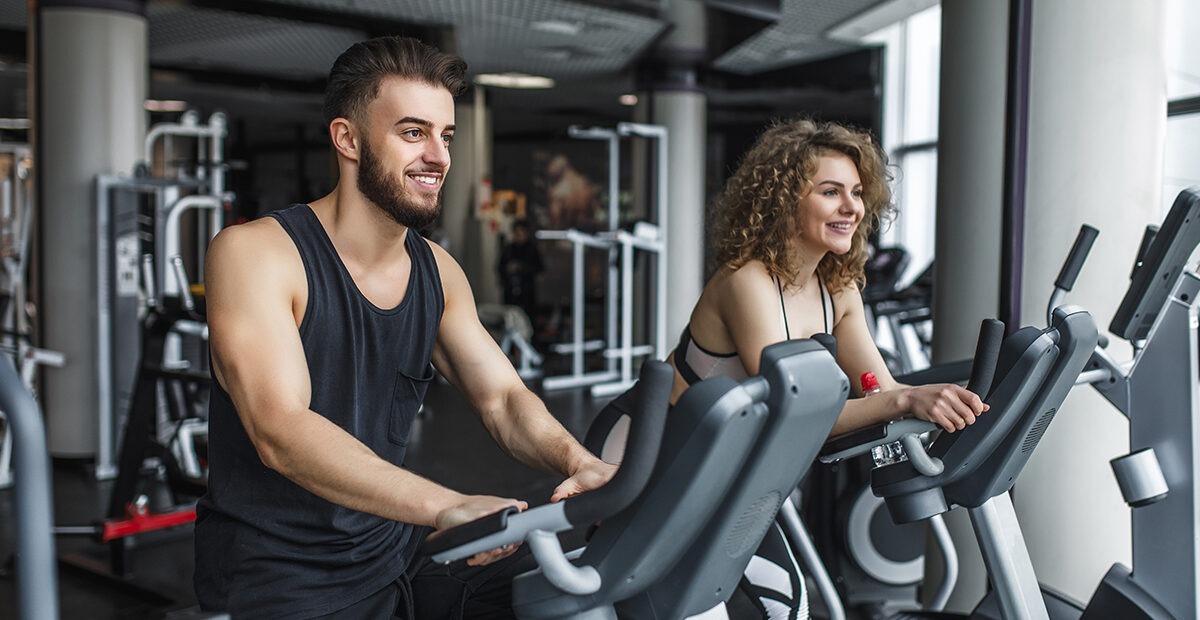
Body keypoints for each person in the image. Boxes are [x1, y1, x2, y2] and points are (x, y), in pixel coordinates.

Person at [193, 36, 615, 619]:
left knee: (584, 595)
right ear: (348, 138)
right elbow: (280, 429)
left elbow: (502, 397)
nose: (439, 157)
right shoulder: (259, 254)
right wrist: (446, 505)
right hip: (280, 579)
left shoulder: (438, 273)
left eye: (446, 136)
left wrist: (578, 461)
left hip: (392, 550)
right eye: (413, 133)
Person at [595, 118, 988, 619]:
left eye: (856, 192)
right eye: (830, 192)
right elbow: (788, 413)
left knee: (791, 606)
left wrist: (923, 399)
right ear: (784, 200)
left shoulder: (838, 288)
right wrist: (902, 399)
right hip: (648, 455)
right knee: (691, 611)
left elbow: (878, 388)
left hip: (726, 473)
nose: (851, 207)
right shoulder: (746, 282)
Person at [498, 218, 544, 325]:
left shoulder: (532, 250)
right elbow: (500, 267)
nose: (519, 235)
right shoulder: (509, 249)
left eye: (521, 232)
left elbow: (539, 269)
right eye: (517, 232)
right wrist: (507, 271)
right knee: (510, 320)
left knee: (528, 320)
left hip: (527, 292)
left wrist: (522, 268)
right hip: (510, 291)